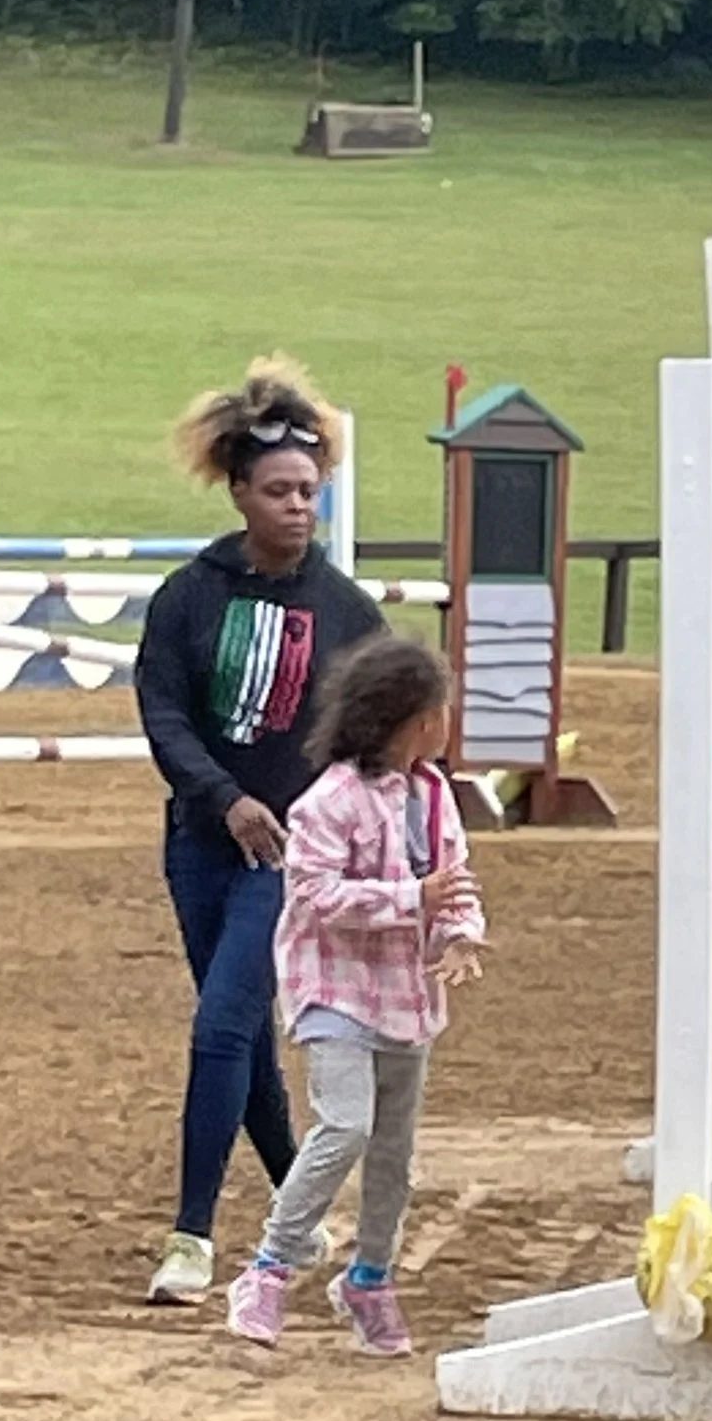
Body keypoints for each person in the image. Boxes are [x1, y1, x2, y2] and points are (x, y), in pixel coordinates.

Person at [136, 357, 383, 1306]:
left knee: (220, 1024)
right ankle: (299, 1204)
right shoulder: (189, 597)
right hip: (202, 845)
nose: (297, 508)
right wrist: (221, 798)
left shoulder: (347, 613)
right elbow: (163, 712)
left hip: (288, 859)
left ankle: (191, 1237)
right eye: (277, 491)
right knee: (237, 1041)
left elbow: (375, 737)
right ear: (238, 490)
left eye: (309, 493)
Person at [222, 633, 486, 1360]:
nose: (445, 725)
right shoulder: (327, 803)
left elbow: (456, 878)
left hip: (409, 998)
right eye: (438, 713)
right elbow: (313, 895)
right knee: (345, 1125)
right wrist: (413, 897)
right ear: (408, 720)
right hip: (333, 990)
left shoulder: (435, 797)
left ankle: (370, 1276)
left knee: (394, 1150)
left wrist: (461, 930)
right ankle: (270, 1266)